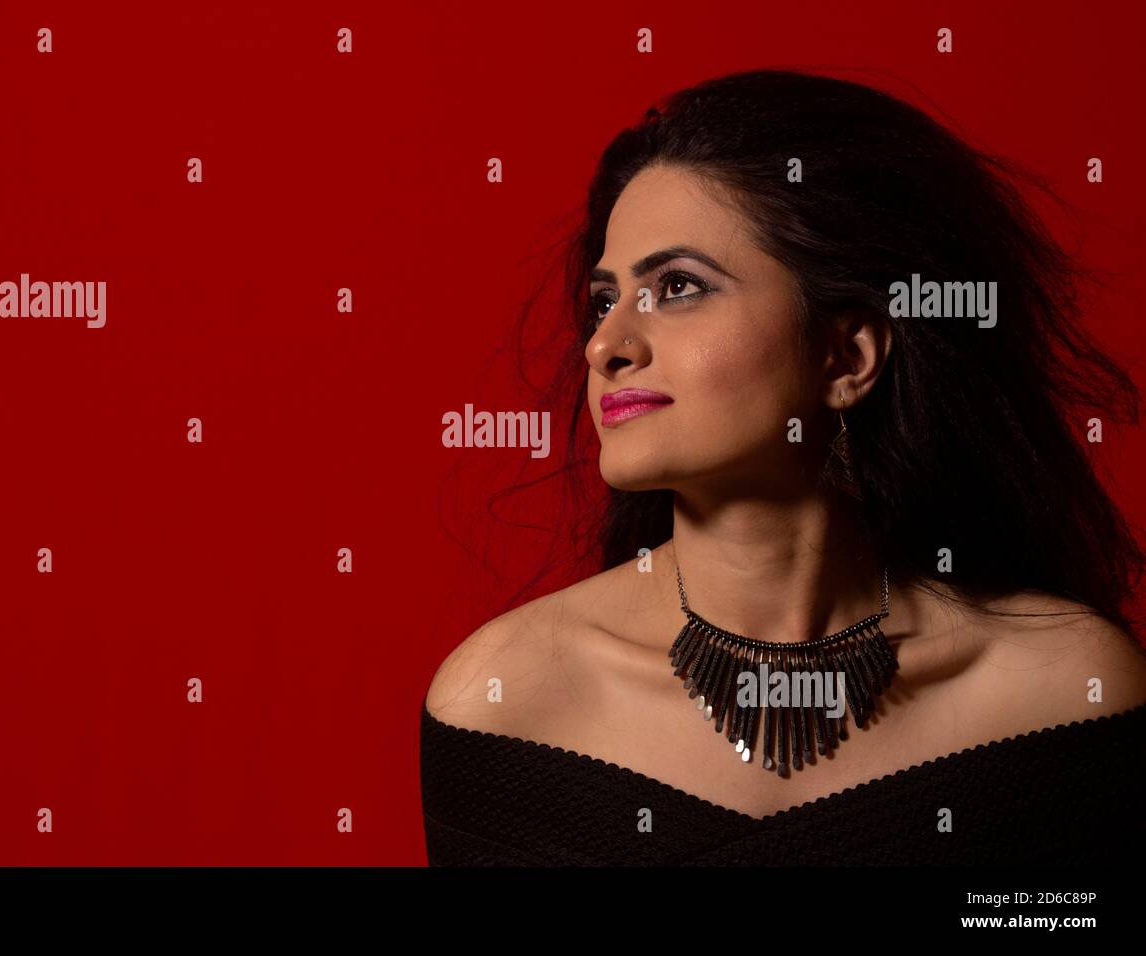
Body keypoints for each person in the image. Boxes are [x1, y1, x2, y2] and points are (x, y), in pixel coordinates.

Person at [420, 69, 1146, 865]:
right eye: (604, 301)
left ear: (847, 355)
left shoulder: (1065, 692)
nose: (606, 346)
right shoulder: (510, 701)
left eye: (678, 286)